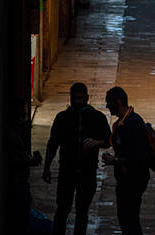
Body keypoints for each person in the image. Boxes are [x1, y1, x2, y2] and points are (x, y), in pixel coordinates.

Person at [42, 83, 112, 235]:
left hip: (87, 173)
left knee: (82, 212)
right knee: (62, 210)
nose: (78, 102)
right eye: (75, 99)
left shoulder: (97, 118)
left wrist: (97, 142)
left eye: (81, 98)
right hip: (67, 172)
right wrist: (46, 168)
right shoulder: (62, 118)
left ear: (87, 98)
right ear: (70, 98)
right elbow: (52, 144)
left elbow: (108, 140)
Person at [103, 87, 150, 235]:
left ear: (118, 102)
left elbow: (136, 157)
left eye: (109, 103)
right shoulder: (123, 123)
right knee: (127, 219)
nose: (107, 106)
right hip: (126, 179)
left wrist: (114, 160)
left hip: (133, 180)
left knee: (129, 220)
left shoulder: (133, 124)